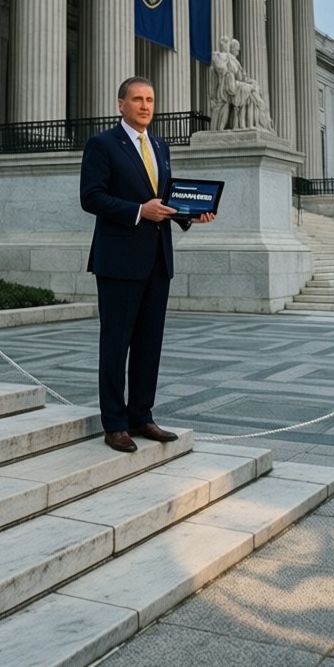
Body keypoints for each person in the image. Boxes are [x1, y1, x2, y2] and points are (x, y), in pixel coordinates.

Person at [80, 77, 216, 453]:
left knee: (148, 345)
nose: (145, 106)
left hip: (157, 260)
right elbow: (91, 198)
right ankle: (115, 424)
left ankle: (142, 415)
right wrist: (139, 211)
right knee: (115, 344)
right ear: (120, 103)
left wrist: (190, 215)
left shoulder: (159, 145)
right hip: (118, 261)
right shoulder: (102, 144)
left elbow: (166, 197)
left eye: (150, 100)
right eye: (137, 99)